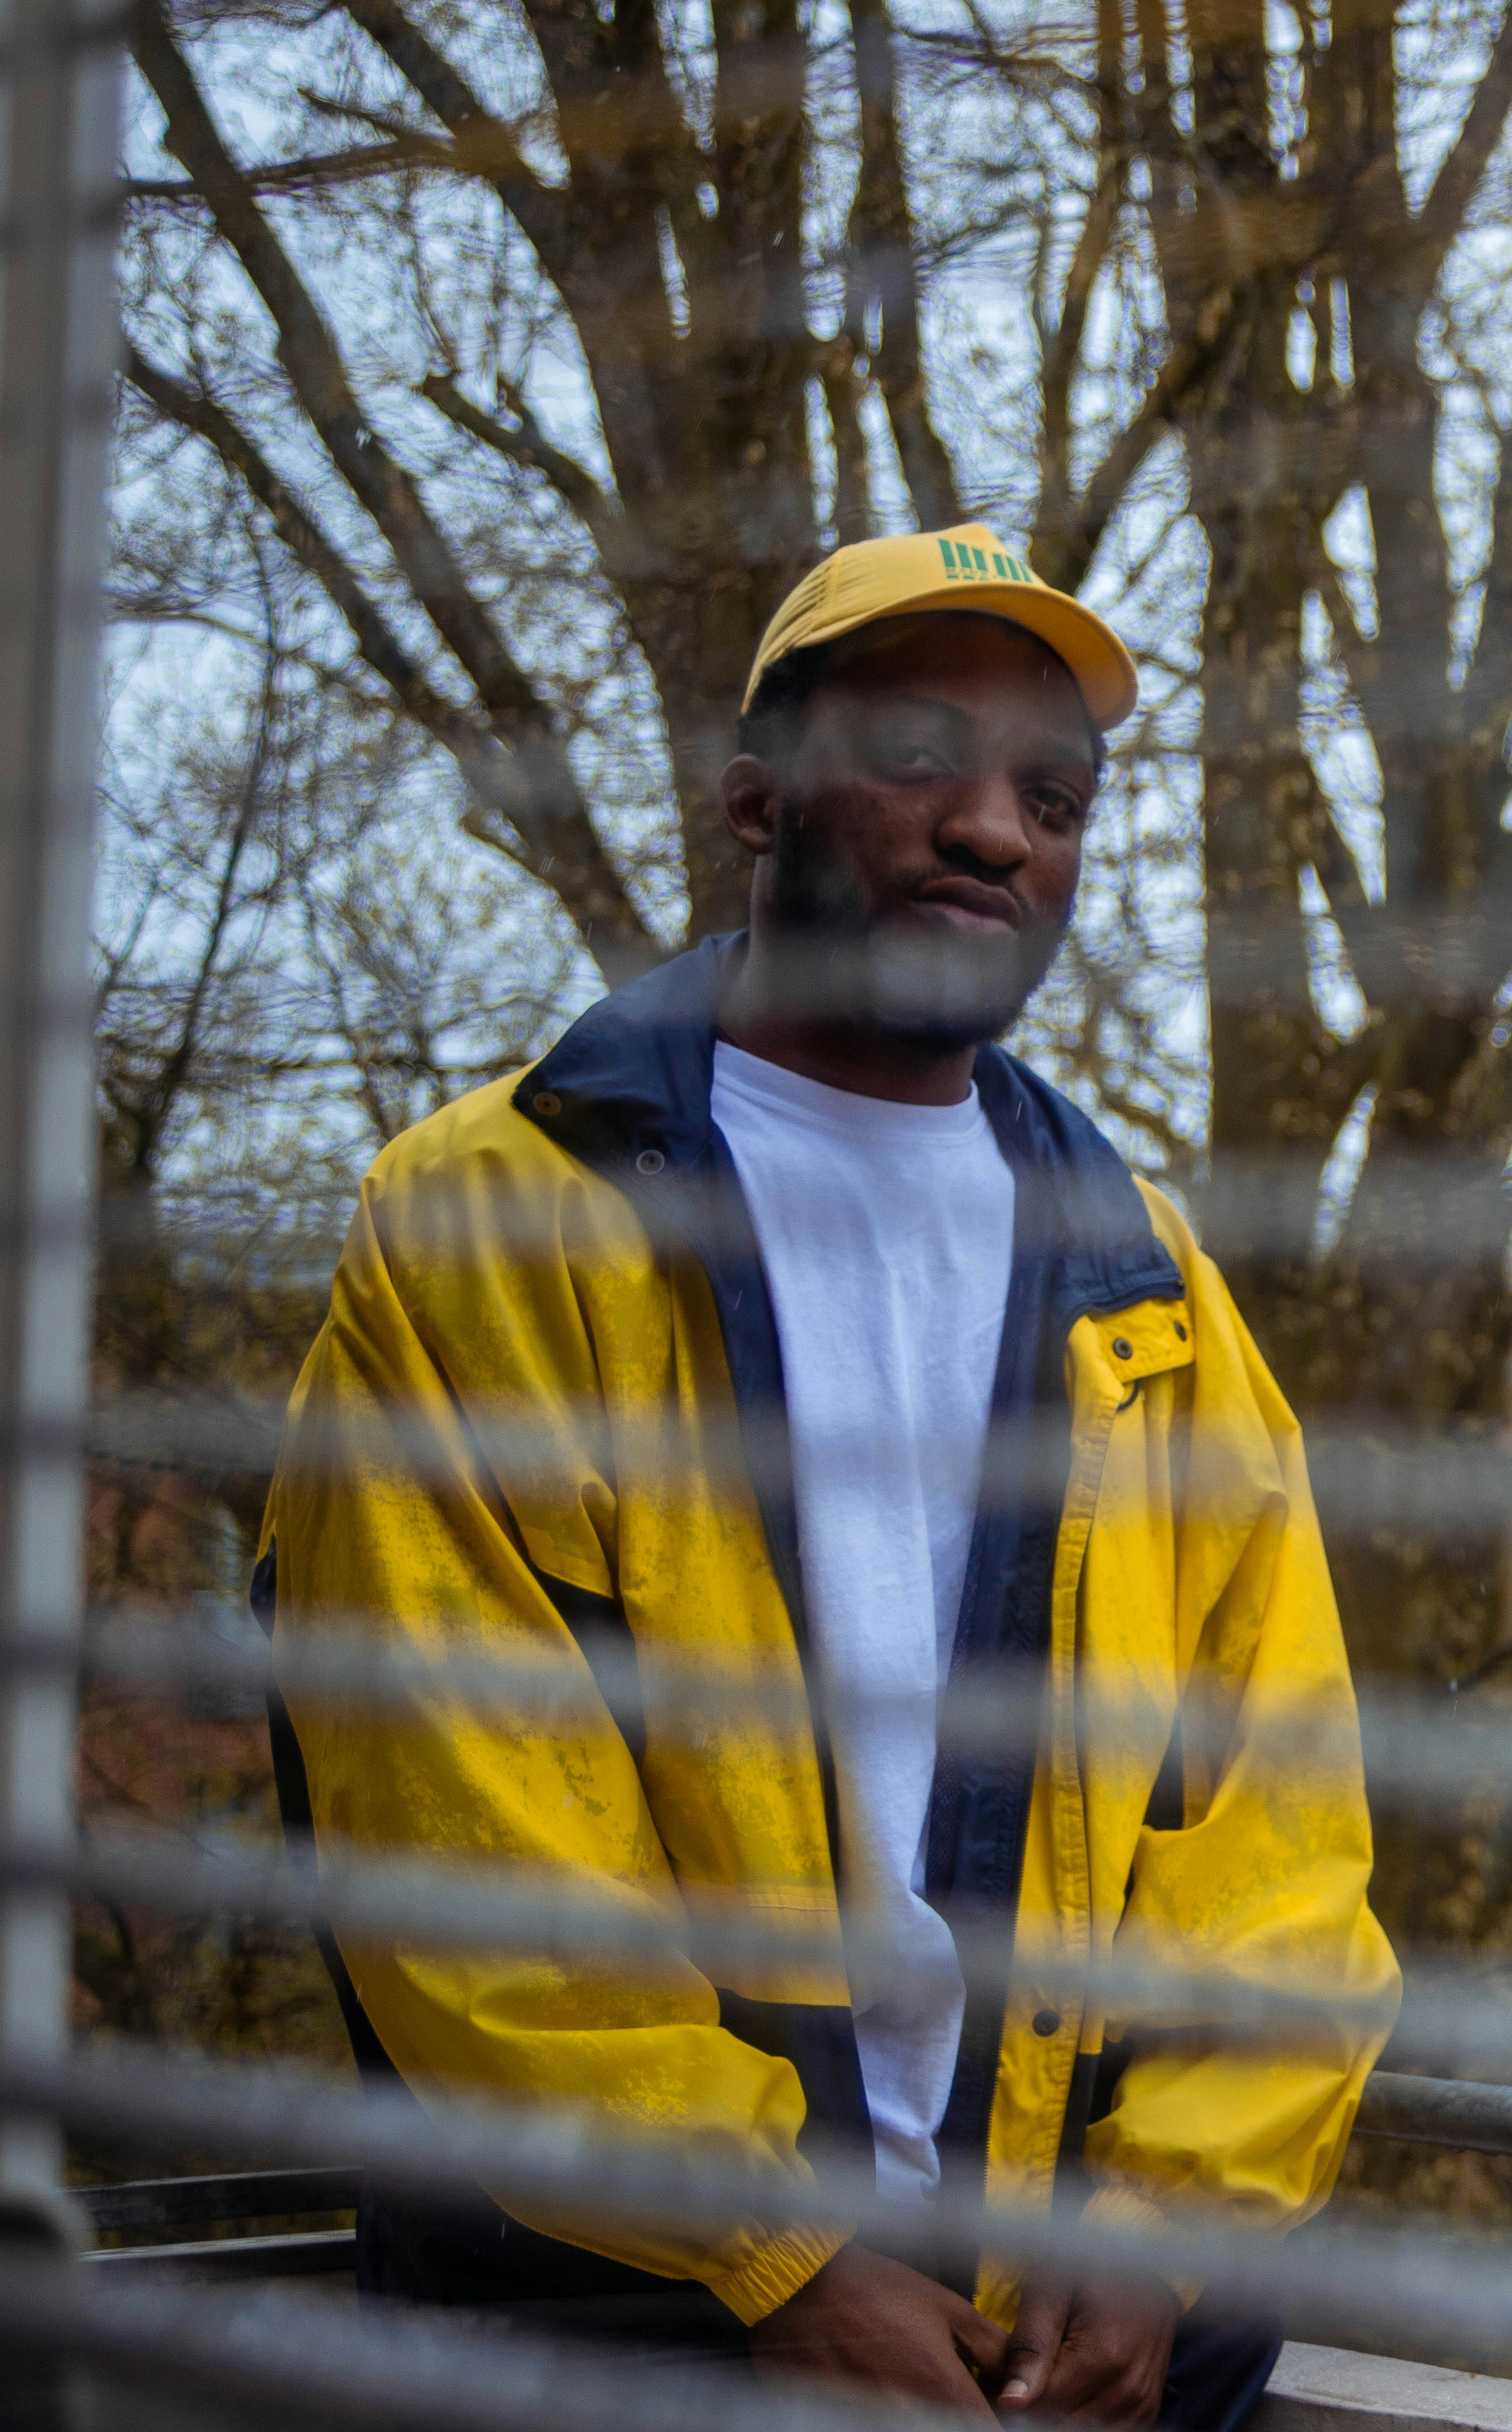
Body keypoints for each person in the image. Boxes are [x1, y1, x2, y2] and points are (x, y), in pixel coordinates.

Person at [258, 523, 1400, 2424]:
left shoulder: (1154, 1286)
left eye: (1052, 795)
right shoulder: (495, 1227)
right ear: (755, 803)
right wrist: (771, 2254)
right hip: (628, 2304)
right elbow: (452, 1818)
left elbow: (1278, 1840)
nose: (993, 830)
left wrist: (1169, 2225)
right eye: (920, 759)